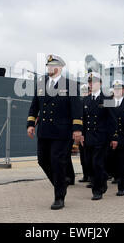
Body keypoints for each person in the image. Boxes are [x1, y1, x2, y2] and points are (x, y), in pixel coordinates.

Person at [26, 54, 83, 210]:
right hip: (44, 130)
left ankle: (59, 197)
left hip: (62, 132)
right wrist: (30, 124)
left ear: (60, 68)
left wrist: (77, 129)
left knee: (57, 162)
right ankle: (61, 183)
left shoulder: (70, 85)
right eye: (48, 66)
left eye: (52, 66)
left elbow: (76, 109)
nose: (49, 68)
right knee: (42, 160)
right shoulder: (41, 83)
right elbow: (34, 105)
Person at [81, 72, 117, 200]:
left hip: (102, 137)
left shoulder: (108, 99)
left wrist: (114, 137)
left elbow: (113, 120)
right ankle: (103, 179)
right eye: (90, 82)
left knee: (97, 163)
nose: (91, 84)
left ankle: (97, 191)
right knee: (88, 163)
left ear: (100, 84)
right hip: (89, 137)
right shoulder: (85, 100)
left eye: (94, 82)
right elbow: (83, 120)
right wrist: (81, 135)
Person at [78, 84, 91, 184]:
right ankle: (86, 175)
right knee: (83, 156)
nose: (84, 93)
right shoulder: (80, 102)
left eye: (86, 91)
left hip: (91, 133)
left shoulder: (91, 101)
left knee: (90, 157)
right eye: (82, 91)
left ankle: (92, 177)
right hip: (82, 133)